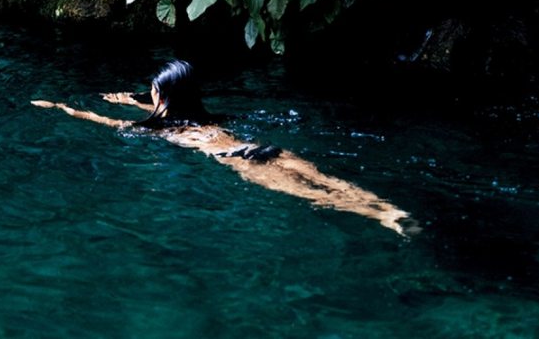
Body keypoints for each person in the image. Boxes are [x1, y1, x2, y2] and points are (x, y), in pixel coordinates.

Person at [32, 59, 419, 236]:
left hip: (240, 163)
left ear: (162, 98)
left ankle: (381, 219)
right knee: (327, 181)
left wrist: (63, 107)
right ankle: (387, 209)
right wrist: (131, 97)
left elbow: (105, 122)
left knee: (312, 195)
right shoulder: (206, 117)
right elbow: (155, 103)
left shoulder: (164, 132)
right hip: (263, 147)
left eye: (152, 94)